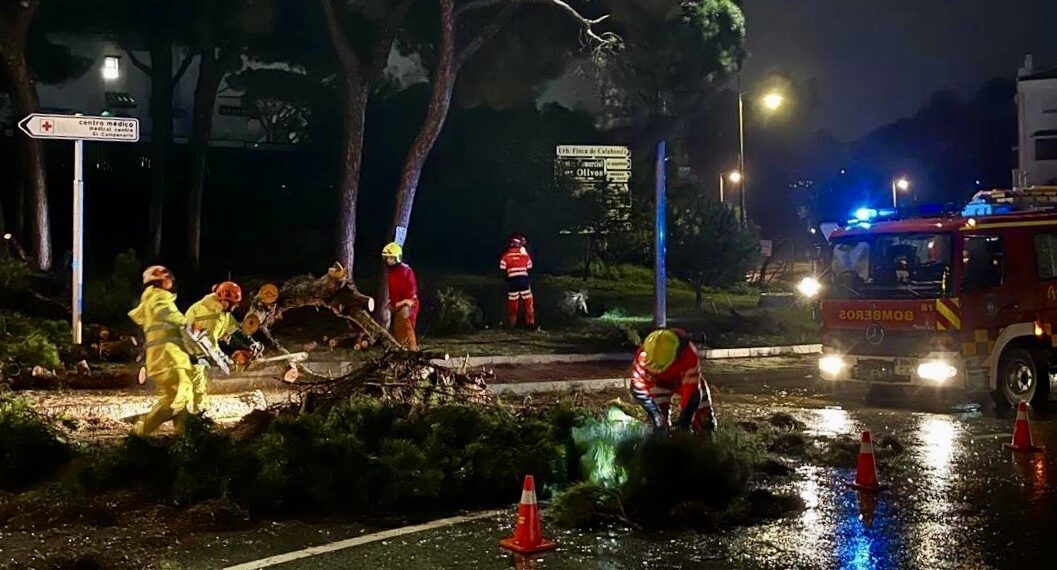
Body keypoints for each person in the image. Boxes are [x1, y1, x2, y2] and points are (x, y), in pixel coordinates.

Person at [127, 265, 196, 436]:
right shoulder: (159, 298)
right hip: (167, 358)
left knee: (185, 396)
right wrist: (188, 324)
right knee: (174, 399)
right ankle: (141, 432)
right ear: (163, 280)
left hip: (167, 357)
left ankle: (183, 435)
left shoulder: (151, 299)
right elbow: (167, 313)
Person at [629, 328, 716, 433]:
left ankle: (705, 440)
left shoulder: (689, 356)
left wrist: (684, 422)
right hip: (657, 382)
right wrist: (655, 414)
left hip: (684, 379)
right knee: (656, 424)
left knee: (704, 417)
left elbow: (691, 393)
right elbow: (638, 388)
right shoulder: (643, 357)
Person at [185, 281, 243, 414]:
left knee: (201, 381)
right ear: (225, 301)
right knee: (197, 383)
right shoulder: (210, 314)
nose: (236, 307)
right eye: (234, 304)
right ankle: (195, 418)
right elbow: (210, 344)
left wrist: (250, 343)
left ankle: (201, 409)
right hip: (191, 351)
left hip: (199, 350)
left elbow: (235, 331)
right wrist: (226, 361)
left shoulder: (221, 311)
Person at [383, 242, 419, 350]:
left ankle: (412, 349)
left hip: (408, 305)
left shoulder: (406, 271)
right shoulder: (392, 272)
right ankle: (400, 351)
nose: (389, 260)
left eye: (391, 258)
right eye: (387, 258)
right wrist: (392, 303)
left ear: (397, 258)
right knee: (398, 332)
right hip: (398, 305)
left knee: (405, 321)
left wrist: (401, 303)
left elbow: (410, 297)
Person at [499, 233, 535, 329]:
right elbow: (530, 266)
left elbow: (502, 268)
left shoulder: (506, 256)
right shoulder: (525, 255)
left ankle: (512, 324)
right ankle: (530, 323)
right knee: (528, 302)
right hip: (524, 281)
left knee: (512, 304)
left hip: (512, 282)